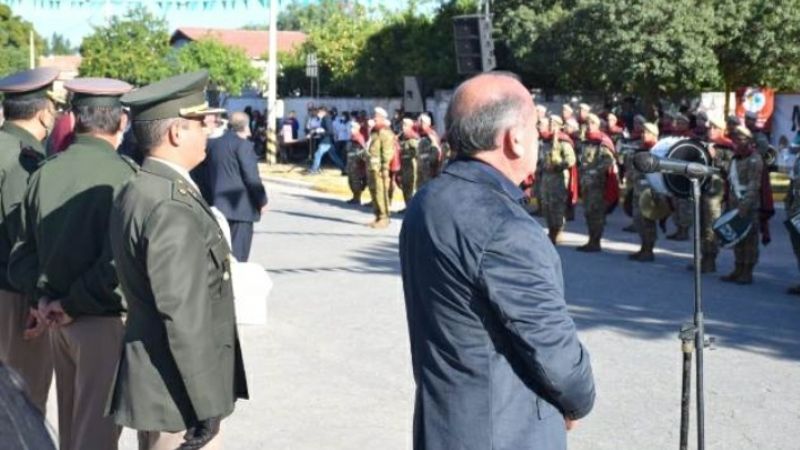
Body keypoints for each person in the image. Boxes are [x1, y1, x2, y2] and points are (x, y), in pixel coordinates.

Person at [400, 72, 595, 450]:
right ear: (514, 139)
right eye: (534, 128)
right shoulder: (505, 225)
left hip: (445, 427)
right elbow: (557, 358)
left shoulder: (429, 199)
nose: (539, 138)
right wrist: (577, 399)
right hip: (504, 433)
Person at [107, 71, 249, 450]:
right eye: (201, 123)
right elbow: (183, 313)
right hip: (177, 396)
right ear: (175, 132)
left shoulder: (142, 186)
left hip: (162, 386)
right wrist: (206, 403)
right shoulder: (170, 204)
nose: (208, 131)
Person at [7, 77, 136, 450]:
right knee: (96, 433)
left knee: (70, 427)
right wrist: (68, 304)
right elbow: (117, 265)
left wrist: (44, 300)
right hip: (101, 320)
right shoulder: (127, 176)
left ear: (74, 119)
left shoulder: (45, 171)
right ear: (122, 121)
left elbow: (22, 255)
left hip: (55, 321)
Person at [0, 67, 60, 414]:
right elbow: (23, 238)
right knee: (24, 407)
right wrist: (38, 299)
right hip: (14, 295)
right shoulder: (24, 159)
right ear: (44, 112)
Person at [199, 111, 268, 262]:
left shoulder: (212, 144)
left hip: (216, 207)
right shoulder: (243, 146)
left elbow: (203, 174)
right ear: (246, 126)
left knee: (220, 256)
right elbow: (252, 178)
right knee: (238, 257)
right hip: (240, 210)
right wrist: (262, 201)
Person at [721, 126, 763, 285]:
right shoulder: (735, 158)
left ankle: (747, 271)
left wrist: (745, 204)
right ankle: (738, 267)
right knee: (737, 237)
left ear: (749, 141)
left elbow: (754, 184)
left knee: (750, 240)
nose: (736, 142)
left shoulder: (754, 159)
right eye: (734, 139)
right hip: (734, 203)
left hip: (748, 204)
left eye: (740, 139)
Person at [577, 113, 616, 252]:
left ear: (597, 125)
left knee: (596, 213)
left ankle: (596, 241)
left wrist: (594, 171)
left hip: (597, 185)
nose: (589, 126)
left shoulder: (602, 141)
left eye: (592, 123)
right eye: (587, 123)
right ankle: (591, 239)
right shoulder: (585, 141)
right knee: (588, 212)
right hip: (586, 184)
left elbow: (608, 160)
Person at [540, 115, 577, 244]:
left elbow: (571, 160)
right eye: (550, 123)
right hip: (546, 177)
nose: (550, 125)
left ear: (558, 125)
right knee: (546, 206)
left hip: (558, 178)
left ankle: (558, 231)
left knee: (558, 206)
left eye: (553, 123)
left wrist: (557, 166)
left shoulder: (563, 141)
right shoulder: (546, 140)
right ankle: (551, 230)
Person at [628, 122, 662, 262]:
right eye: (642, 132)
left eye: (647, 132)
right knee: (638, 220)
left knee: (648, 220)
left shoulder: (658, 150)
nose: (643, 135)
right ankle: (643, 247)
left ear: (654, 135)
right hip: (638, 189)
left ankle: (648, 250)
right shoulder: (640, 149)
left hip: (650, 191)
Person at [366, 107, 396, 228]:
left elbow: (387, 152)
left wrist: (384, 168)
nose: (374, 118)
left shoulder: (385, 132)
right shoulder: (374, 132)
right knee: (373, 191)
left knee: (381, 192)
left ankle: (384, 217)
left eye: (376, 116)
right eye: (374, 116)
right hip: (372, 167)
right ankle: (377, 215)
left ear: (382, 118)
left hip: (379, 168)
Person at [309, 107, 345, 174]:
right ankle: (344, 168)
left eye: (319, 112)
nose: (317, 114)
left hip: (325, 141)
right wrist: (316, 132)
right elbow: (325, 130)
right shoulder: (324, 118)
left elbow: (330, 131)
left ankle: (314, 170)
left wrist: (320, 132)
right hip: (327, 141)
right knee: (334, 156)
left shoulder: (326, 118)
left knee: (317, 154)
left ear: (323, 112)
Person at [345, 120, 368, 205]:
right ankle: (354, 197)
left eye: (353, 127)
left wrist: (362, 162)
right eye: (351, 127)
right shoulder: (351, 138)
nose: (351, 129)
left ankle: (357, 198)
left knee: (356, 182)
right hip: (350, 163)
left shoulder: (359, 138)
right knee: (350, 181)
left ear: (358, 128)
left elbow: (363, 151)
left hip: (356, 165)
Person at [399, 118, 420, 206]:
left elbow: (417, 153)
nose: (403, 127)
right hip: (404, 166)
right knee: (404, 186)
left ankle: (411, 206)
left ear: (410, 126)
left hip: (411, 166)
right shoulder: (402, 138)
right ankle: (407, 205)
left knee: (411, 187)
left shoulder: (412, 139)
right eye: (402, 125)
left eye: (405, 125)